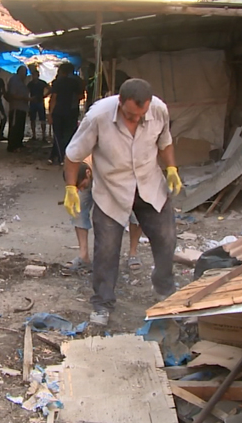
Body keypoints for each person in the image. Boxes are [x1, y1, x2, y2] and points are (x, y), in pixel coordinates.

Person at [63, 78, 182, 326]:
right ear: (120, 103)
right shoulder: (98, 117)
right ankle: (102, 303)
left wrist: (171, 168)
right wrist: (71, 187)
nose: (136, 119)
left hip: (149, 185)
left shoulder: (158, 110)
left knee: (167, 236)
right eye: (130, 115)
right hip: (112, 190)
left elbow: (166, 141)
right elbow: (72, 154)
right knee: (106, 249)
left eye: (141, 115)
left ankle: (164, 286)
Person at [66, 157, 144, 275]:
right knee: (78, 210)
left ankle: (133, 253)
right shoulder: (77, 165)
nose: (80, 189)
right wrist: (72, 190)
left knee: (135, 213)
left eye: (81, 185)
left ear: (88, 173)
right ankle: (83, 256)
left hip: (119, 175)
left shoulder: (107, 163)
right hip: (94, 173)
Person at [48, 62, 83, 165]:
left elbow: (53, 99)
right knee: (67, 134)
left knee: (58, 135)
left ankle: (61, 157)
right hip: (71, 111)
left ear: (61, 71)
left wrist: (50, 114)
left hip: (58, 111)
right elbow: (80, 96)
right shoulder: (75, 83)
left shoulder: (57, 82)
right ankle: (58, 156)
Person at [5, 65, 29, 152]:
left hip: (22, 108)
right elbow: (12, 94)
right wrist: (24, 98)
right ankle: (12, 146)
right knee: (15, 127)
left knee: (20, 127)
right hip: (16, 107)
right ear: (20, 72)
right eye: (24, 73)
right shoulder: (14, 80)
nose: (25, 75)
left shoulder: (22, 82)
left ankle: (19, 144)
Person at [27, 67, 49, 141]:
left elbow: (50, 88)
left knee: (42, 119)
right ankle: (34, 135)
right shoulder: (30, 84)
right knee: (32, 119)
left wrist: (45, 95)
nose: (34, 76)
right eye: (33, 75)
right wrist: (29, 98)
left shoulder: (42, 83)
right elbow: (26, 91)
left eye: (35, 75)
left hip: (40, 102)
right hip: (33, 102)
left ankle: (43, 136)